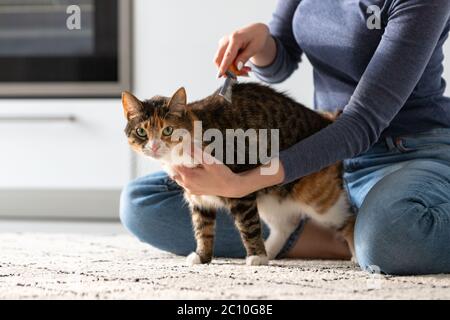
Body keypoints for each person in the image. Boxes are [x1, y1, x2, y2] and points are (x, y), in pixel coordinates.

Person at [120, 0, 450, 275]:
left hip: (403, 151)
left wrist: (242, 184)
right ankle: (331, 230)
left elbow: (363, 122)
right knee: (142, 204)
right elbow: (281, 61)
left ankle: (363, 232)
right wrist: (262, 43)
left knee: (393, 240)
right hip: (320, 147)